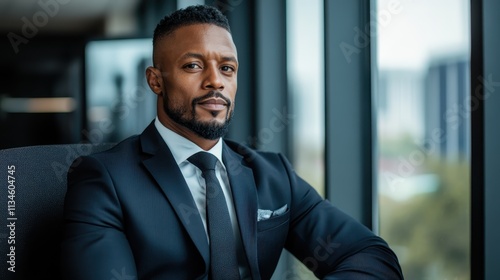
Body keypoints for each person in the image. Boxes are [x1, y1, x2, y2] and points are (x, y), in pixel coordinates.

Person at [61, 5, 403, 280]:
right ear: (155, 81)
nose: (215, 82)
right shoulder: (104, 179)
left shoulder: (273, 175)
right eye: (193, 66)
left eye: (227, 68)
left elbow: (372, 257)